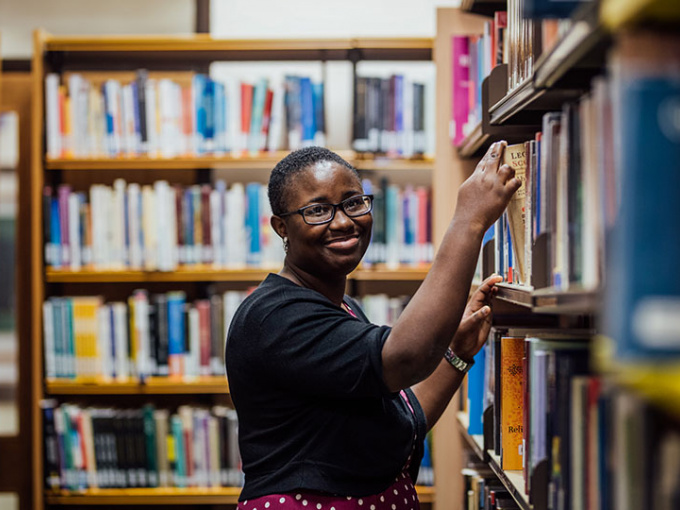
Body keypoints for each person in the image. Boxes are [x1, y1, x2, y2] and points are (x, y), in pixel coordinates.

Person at [225, 143, 520, 510]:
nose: (343, 221)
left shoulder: (344, 308)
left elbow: (402, 422)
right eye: (318, 210)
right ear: (282, 227)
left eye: (353, 202)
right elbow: (406, 357)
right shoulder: (273, 316)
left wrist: (456, 354)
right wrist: (469, 220)